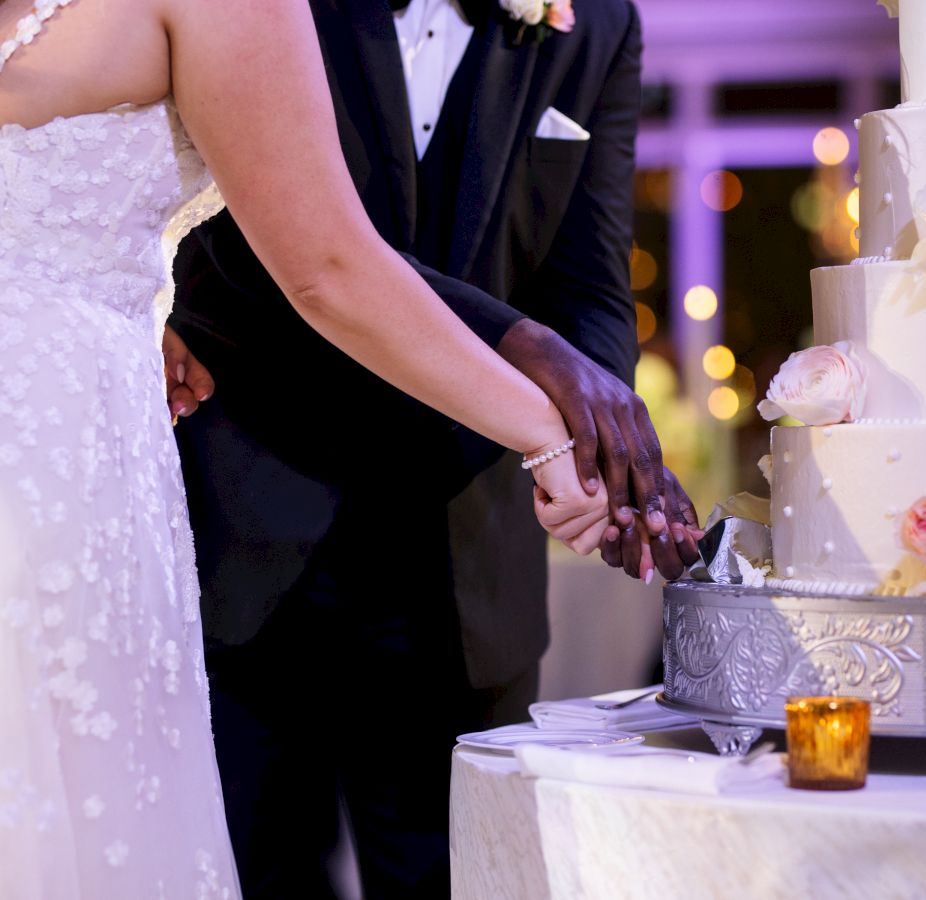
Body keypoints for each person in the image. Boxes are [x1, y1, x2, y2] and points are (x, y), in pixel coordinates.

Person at [0, 0, 617, 894]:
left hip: (86, 435)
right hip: (69, 468)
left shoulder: (600, 28)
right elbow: (326, 267)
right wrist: (543, 429)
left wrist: (114, 305)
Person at [165, 0, 702, 895]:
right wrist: (528, 349)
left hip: (465, 559)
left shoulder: (599, 23)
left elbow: (591, 283)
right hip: (250, 536)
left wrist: (593, 444)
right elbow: (243, 248)